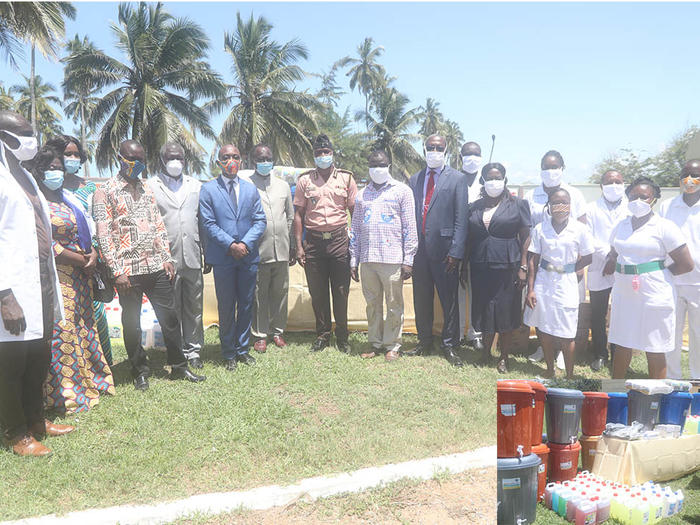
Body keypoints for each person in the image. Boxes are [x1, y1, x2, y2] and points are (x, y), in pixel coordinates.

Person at [94, 140, 205, 390]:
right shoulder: (105, 191)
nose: (138, 166)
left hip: (155, 266)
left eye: (142, 161)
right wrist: (116, 271)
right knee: (131, 322)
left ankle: (179, 366)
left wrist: (166, 257)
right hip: (127, 272)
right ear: (119, 158)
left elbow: (158, 226)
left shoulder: (146, 188)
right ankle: (139, 371)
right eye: (133, 160)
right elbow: (103, 235)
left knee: (170, 317)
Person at [0, 111, 73, 457]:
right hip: (11, 288)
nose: (32, 140)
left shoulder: (25, 177)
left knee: (38, 357)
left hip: (40, 280)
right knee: (11, 365)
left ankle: (36, 422)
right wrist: (3, 295)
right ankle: (15, 434)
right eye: (24, 134)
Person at [32, 144, 115, 413]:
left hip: (81, 275)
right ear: (38, 171)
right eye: (50, 168)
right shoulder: (36, 202)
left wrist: (90, 255)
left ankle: (92, 380)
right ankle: (66, 394)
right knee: (63, 332)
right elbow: (45, 243)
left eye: (58, 168)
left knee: (84, 327)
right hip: (57, 276)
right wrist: (81, 259)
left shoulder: (67, 198)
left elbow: (86, 228)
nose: (56, 172)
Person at [605, 177, 694, 379]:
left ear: (654, 199)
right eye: (634, 196)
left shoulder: (664, 226)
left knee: (654, 345)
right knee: (622, 342)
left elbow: (686, 263)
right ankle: (617, 392)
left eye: (644, 197)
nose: (638, 201)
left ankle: (656, 398)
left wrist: (658, 273)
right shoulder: (622, 225)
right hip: (625, 292)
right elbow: (614, 251)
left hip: (655, 293)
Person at [199, 143, 266, 370]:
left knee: (246, 304)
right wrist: (230, 244)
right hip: (224, 257)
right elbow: (208, 223)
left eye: (235, 156)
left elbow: (260, 221)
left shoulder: (250, 189)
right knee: (226, 306)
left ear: (242, 160)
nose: (231, 161)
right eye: (226, 157)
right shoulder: (208, 189)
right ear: (218, 162)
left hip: (248, 256)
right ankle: (228, 352)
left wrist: (245, 243)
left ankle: (242, 349)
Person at [404, 134, 469, 367]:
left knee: (448, 300)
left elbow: (462, 218)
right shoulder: (414, 179)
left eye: (438, 147)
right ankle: (424, 341)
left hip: (446, 252)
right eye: (430, 147)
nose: (434, 150)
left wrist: (456, 251)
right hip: (419, 250)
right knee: (421, 298)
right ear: (424, 149)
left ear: (446, 150)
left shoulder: (457, 179)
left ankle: (450, 345)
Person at [49, 135, 113, 366]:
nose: (73, 158)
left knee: (96, 316)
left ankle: (102, 366)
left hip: (89, 264)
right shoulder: (47, 188)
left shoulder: (90, 188)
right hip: (59, 264)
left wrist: (94, 254)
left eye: (77, 154)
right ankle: (72, 370)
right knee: (65, 319)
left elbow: (99, 224)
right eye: (68, 154)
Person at [349, 150, 418, 361]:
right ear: (368, 167)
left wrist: (409, 260)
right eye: (373, 165)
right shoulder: (361, 195)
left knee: (394, 304)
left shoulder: (402, 191)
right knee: (372, 304)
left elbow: (410, 227)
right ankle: (376, 343)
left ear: (389, 165)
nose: (377, 168)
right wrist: (354, 260)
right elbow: (356, 230)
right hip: (368, 259)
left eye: (381, 164)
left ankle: (393, 345)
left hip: (393, 259)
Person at [293, 134, 357, 354]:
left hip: (339, 240)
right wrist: (299, 246)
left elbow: (354, 213)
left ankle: (342, 336)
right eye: (319, 153)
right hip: (314, 242)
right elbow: (298, 215)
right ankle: (322, 335)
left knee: (341, 291)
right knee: (318, 292)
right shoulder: (304, 180)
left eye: (326, 152)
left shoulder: (347, 179)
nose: (323, 156)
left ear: (332, 153)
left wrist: (355, 246)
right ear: (314, 156)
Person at [466, 163, 530, 373]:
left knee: (505, 309)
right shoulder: (474, 206)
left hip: (508, 264)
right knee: (484, 307)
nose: (494, 181)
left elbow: (526, 237)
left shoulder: (518, 204)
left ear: (504, 179)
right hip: (480, 265)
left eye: (498, 177)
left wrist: (523, 265)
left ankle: (504, 356)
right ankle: (485, 352)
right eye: (489, 177)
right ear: (483, 181)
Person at [146, 142, 205, 369]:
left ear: (185, 159)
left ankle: (194, 351)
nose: (175, 162)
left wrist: (205, 253)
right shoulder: (151, 186)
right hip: (165, 258)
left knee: (194, 306)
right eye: (171, 157)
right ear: (161, 159)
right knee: (172, 309)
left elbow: (202, 220)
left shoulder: (196, 185)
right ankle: (177, 351)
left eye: (179, 158)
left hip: (192, 255)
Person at [525, 150, 587, 365]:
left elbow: (583, 228)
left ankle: (562, 354)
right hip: (541, 260)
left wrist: (577, 265)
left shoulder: (574, 194)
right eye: (546, 167)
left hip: (567, 263)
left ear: (562, 168)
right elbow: (526, 228)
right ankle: (544, 351)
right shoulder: (532, 194)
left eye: (555, 167)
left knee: (565, 312)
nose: (550, 171)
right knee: (543, 311)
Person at [246, 144, 294, 353]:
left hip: (281, 249)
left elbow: (290, 216)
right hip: (258, 251)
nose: (265, 162)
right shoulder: (246, 185)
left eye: (268, 158)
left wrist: (286, 238)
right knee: (259, 295)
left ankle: (277, 331)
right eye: (261, 159)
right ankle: (259, 334)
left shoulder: (283, 186)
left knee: (280, 292)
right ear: (253, 161)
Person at [585, 169, 629, 371]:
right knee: (598, 313)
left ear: (624, 184)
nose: (614, 186)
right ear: (601, 186)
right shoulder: (591, 208)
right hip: (599, 266)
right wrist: (609, 256)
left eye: (618, 182)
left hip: (624, 266)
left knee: (623, 312)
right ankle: (600, 354)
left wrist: (616, 257)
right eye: (609, 182)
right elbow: (588, 237)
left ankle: (618, 356)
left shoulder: (631, 207)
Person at [659, 160, 700, 379]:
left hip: (699, 282)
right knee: (670, 332)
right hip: (673, 278)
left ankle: (697, 380)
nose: (690, 180)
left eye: (695, 174)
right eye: (686, 174)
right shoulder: (668, 206)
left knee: (698, 335)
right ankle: (671, 379)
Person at [458, 141, 484, 352]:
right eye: (467, 154)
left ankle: (475, 334)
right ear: (460, 157)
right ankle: (457, 333)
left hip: (480, 246)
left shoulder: (488, 182)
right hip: (457, 245)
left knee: (477, 292)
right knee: (458, 291)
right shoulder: (452, 179)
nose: (472, 157)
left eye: (476, 154)